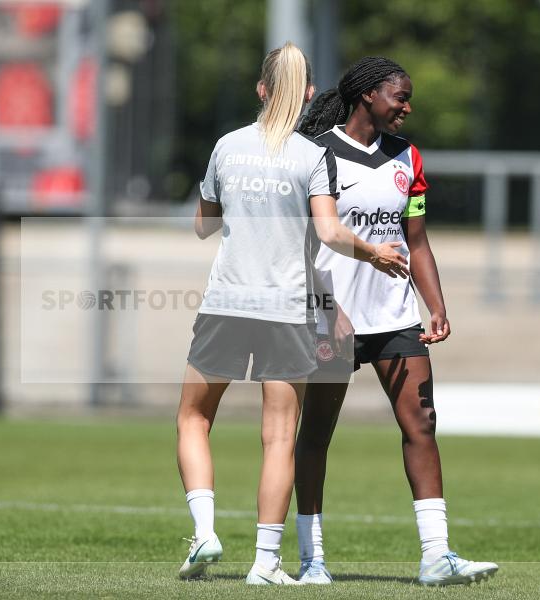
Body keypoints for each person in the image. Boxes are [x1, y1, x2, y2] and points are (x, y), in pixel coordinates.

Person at [176, 43, 410, 585]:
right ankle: (265, 563)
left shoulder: (226, 147)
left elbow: (203, 226)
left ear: (261, 90)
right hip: (288, 309)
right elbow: (328, 232)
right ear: (308, 95)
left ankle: (206, 532)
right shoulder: (313, 156)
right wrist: (375, 251)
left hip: (227, 305)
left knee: (194, 418)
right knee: (280, 436)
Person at [291, 56, 498, 585]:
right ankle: (312, 560)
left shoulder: (408, 156)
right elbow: (303, 242)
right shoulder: (316, 153)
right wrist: (326, 306)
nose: (406, 107)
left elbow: (417, 239)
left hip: (394, 314)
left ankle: (437, 556)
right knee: (316, 433)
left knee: (422, 424)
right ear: (367, 96)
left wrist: (437, 305)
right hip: (330, 315)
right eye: (399, 97)